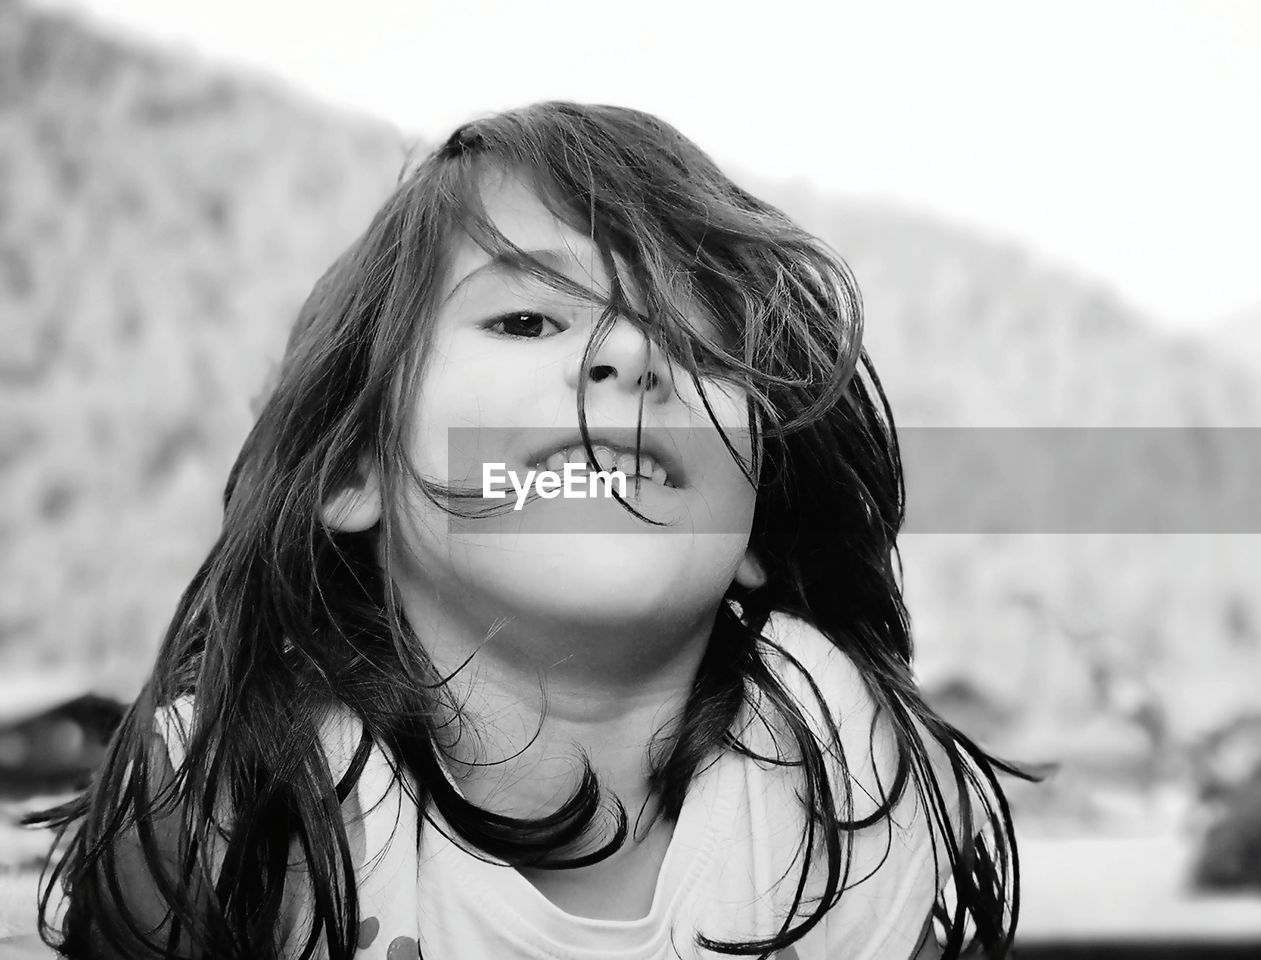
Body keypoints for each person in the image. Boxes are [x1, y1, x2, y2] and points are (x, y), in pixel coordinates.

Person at [31, 102, 1032, 959]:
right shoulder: (230, 807)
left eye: (698, 344)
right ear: (353, 471)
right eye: (526, 320)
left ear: (756, 525)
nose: (634, 355)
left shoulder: (847, 787)